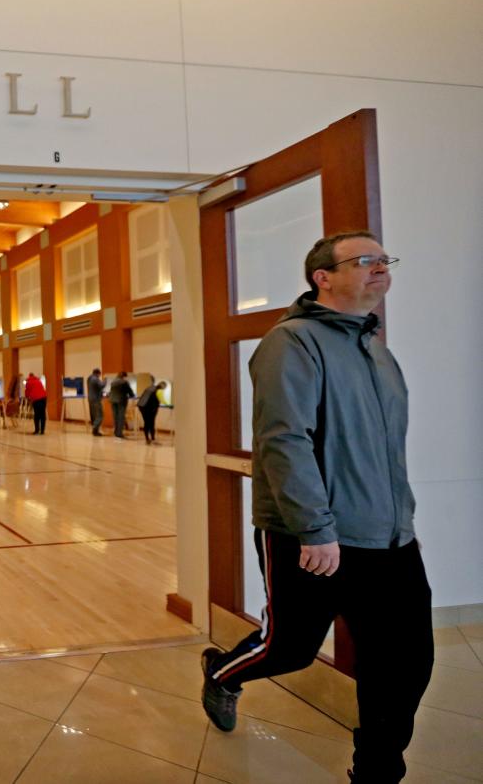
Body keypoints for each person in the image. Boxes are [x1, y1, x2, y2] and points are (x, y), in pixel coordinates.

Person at [200, 233, 429, 783]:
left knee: (406, 663)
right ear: (322, 277)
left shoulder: (374, 346)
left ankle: (375, 771)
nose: (380, 269)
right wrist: (314, 528)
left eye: (384, 260)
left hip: (389, 536)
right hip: (313, 538)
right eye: (364, 261)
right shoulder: (292, 342)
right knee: (289, 648)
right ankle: (222, 673)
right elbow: (285, 442)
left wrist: (404, 519)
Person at [137, 380, 166, 445]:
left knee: (146, 423)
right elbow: (160, 400)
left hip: (141, 406)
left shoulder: (150, 387)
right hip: (149, 408)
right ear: (162, 386)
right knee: (151, 423)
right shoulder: (159, 390)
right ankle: (152, 439)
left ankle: (147, 439)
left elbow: (143, 396)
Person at [108, 371, 133, 439]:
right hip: (121, 401)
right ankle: (119, 433)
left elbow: (111, 391)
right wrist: (132, 395)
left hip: (113, 400)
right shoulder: (124, 382)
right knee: (121, 417)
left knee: (115, 416)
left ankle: (116, 432)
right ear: (123, 376)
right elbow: (129, 391)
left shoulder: (113, 382)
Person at [87, 369, 105, 436]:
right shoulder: (95, 378)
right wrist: (105, 380)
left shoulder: (89, 378)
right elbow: (102, 385)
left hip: (91, 399)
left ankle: (95, 430)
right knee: (100, 415)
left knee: (94, 415)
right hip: (96, 399)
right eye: (99, 375)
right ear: (98, 373)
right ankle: (95, 429)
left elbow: (95, 388)